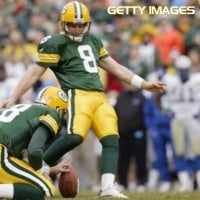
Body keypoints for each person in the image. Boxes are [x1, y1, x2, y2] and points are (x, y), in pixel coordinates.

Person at [0, 1, 166, 198]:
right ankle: (41, 165)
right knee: (75, 136)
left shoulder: (93, 40)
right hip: (78, 93)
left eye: (81, 25)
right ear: (63, 23)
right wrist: (14, 96)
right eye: (73, 25)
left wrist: (143, 83)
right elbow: (34, 74)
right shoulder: (54, 43)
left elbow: (115, 67)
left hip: (99, 95)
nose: (78, 29)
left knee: (111, 136)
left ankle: (107, 187)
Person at [0, 86, 69, 200]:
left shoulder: (22, 108)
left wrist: (49, 170)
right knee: (46, 190)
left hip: (4, 153)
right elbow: (34, 151)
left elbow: (20, 161)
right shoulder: (51, 113)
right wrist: (40, 172)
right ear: (59, 109)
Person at [162, 55, 200, 191]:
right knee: (179, 151)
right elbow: (164, 99)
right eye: (181, 69)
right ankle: (185, 182)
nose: (183, 72)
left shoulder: (197, 79)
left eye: (186, 69)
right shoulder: (169, 80)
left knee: (197, 150)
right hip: (177, 119)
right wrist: (168, 110)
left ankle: (198, 180)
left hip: (193, 118)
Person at [114, 83, 147, 191]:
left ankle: (141, 182)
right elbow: (115, 114)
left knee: (140, 159)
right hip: (123, 135)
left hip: (138, 134)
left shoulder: (141, 97)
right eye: (126, 83)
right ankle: (123, 183)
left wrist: (143, 130)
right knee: (123, 160)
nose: (128, 85)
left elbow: (146, 115)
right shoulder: (120, 97)